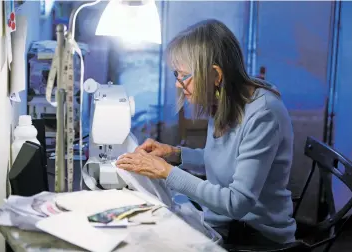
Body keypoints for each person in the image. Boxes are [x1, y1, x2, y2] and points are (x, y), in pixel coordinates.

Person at [115, 19, 296, 247]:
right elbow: (223, 161)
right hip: (227, 223)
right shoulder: (224, 98)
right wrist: (175, 154)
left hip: (255, 237)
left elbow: (237, 202)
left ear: (215, 75)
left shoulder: (263, 115)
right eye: (176, 74)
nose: (178, 84)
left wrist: (166, 172)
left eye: (184, 75)